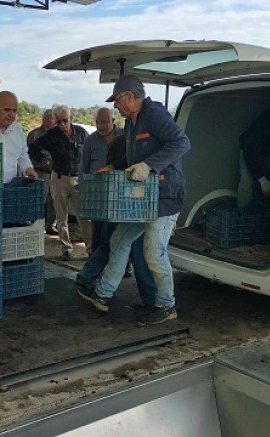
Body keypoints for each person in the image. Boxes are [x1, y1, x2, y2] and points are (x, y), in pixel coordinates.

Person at [77, 75, 190, 325]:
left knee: (153, 252)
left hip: (165, 197)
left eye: (117, 100)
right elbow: (131, 161)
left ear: (130, 96)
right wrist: (112, 167)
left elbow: (182, 143)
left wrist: (150, 165)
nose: (116, 105)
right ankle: (102, 294)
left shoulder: (154, 115)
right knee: (119, 238)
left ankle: (166, 305)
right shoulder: (130, 124)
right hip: (142, 199)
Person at [77, 133, 157, 310]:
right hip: (129, 206)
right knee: (135, 252)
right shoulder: (132, 146)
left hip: (115, 204)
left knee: (112, 244)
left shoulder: (121, 142)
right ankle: (149, 300)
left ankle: (89, 279)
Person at [29, 105, 92, 261]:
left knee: (84, 215)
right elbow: (33, 148)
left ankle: (91, 248)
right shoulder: (51, 135)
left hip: (78, 178)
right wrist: (44, 161)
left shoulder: (82, 133)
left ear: (71, 119)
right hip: (58, 177)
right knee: (61, 216)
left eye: (65, 120)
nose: (62, 124)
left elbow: (90, 152)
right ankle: (66, 248)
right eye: (59, 122)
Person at [81, 107, 124, 252]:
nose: (100, 126)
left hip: (120, 194)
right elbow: (83, 167)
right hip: (98, 195)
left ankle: (123, 266)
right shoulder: (90, 140)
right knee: (98, 232)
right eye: (97, 122)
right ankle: (95, 265)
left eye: (104, 122)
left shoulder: (125, 137)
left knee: (119, 232)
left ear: (113, 121)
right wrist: (84, 192)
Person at [27, 109, 58, 235]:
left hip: (54, 172)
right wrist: (42, 160)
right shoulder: (34, 134)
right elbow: (29, 152)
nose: (55, 123)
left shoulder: (55, 134)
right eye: (53, 120)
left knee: (54, 200)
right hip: (39, 171)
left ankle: (51, 225)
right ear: (45, 120)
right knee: (40, 198)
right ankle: (33, 223)